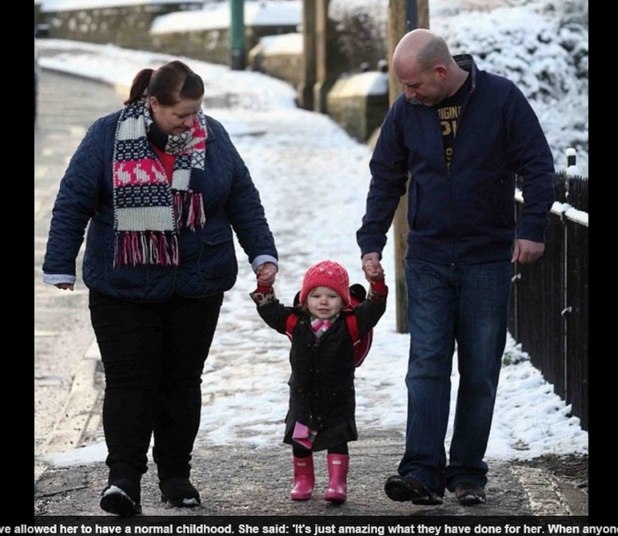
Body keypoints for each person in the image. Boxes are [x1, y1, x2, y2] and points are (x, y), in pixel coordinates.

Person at [42, 60, 278, 516]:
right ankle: (123, 480)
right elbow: (73, 197)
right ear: (152, 104)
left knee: (182, 380)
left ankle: (176, 476)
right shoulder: (107, 136)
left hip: (196, 279)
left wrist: (261, 253)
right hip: (123, 283)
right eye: (181, 115)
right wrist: (59, 263)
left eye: (195, 113)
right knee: (130, 382)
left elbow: (242, 196)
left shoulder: (212, 137)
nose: (191, 123)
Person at [356, 29, 555, 507]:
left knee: (480, 369)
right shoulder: (407, 112)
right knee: (425, 365)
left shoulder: (502, 98)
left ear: (441, 71)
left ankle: (467, 473)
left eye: (414, 85)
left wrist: (532, 229)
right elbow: (386, 175)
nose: (407, 95)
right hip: (426, 255)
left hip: (486, 257)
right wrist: (372, 239)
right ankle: (420, 470)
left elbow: (538, 164)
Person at [250, 260, 387, 504]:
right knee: (302, 441)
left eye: (332, 296)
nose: (323, 302)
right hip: (304, 397)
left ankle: (337, 482)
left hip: (338, 398)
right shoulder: (295, 323)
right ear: (305, 299)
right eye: (316, 296)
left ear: (343, 301)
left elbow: (374, 308)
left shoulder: (351, 325)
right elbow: (270, 311)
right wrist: (264, 286)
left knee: (336, 439)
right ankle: (303, 479)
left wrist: (376, 284)